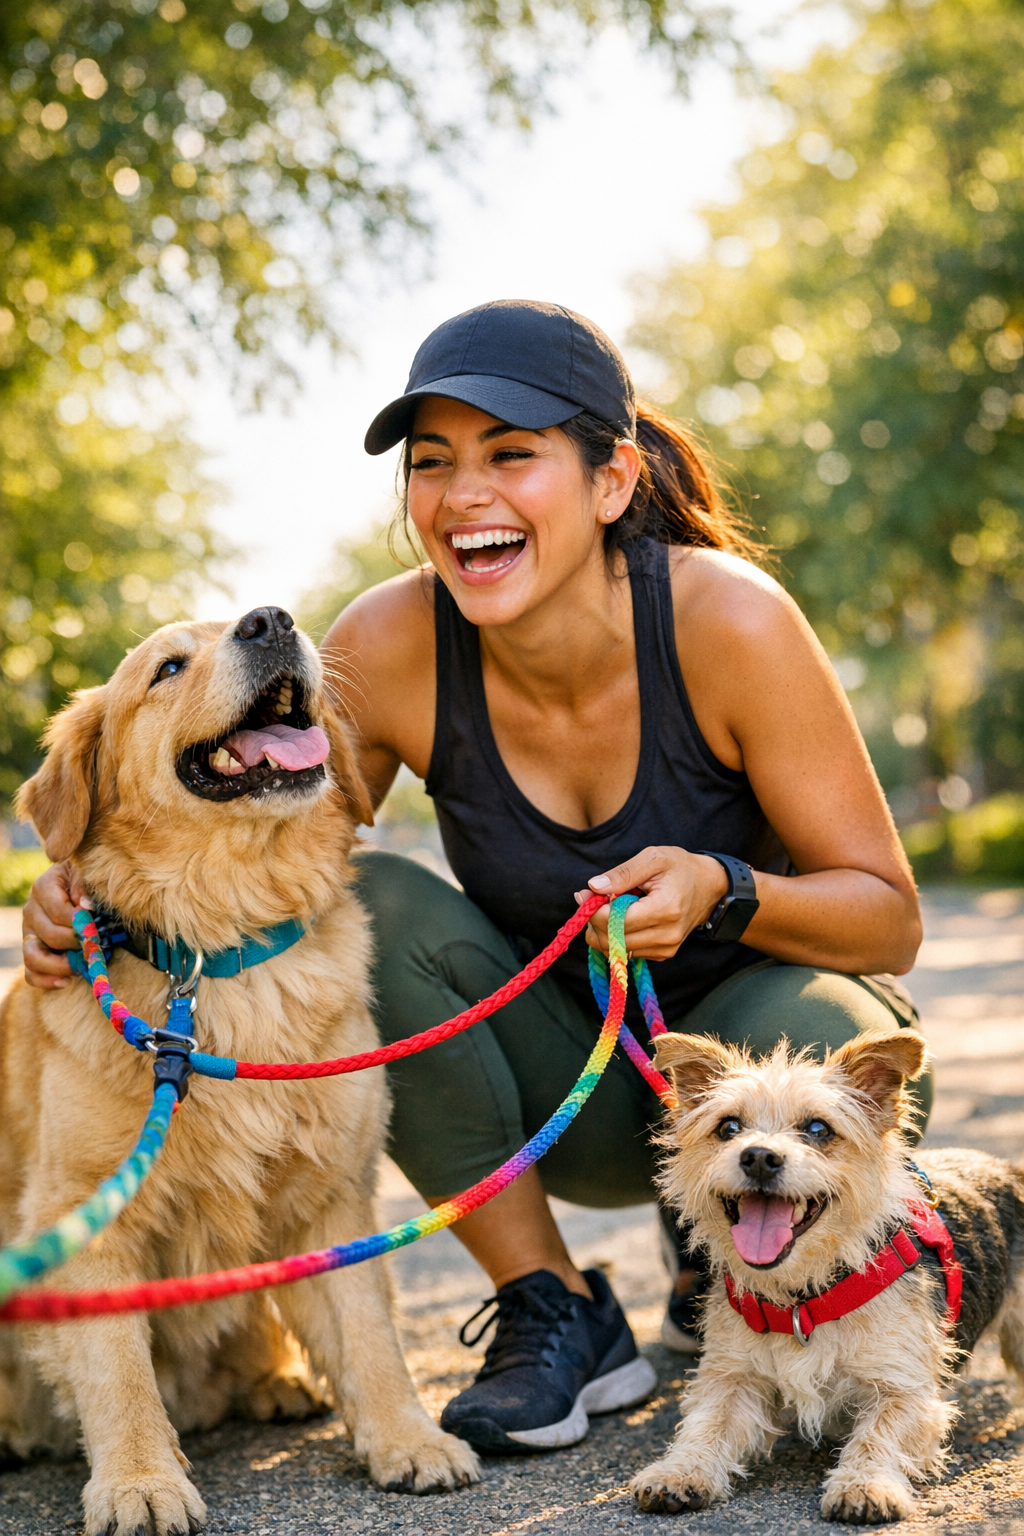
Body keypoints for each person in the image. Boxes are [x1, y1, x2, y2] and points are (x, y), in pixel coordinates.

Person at [23, 299, 927, 1457]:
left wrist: (722, 886)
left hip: (750, 1083)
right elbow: (264, 843)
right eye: (432, 463)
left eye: (511, 455)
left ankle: (743, 1246)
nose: (463, 496)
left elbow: (889, 918)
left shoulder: (728, 620)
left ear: (611, 481)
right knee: (379, 909)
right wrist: (86, 895)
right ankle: (555, 1308)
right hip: (555, 1089)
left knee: (823, 1019)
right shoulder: (390, 643)